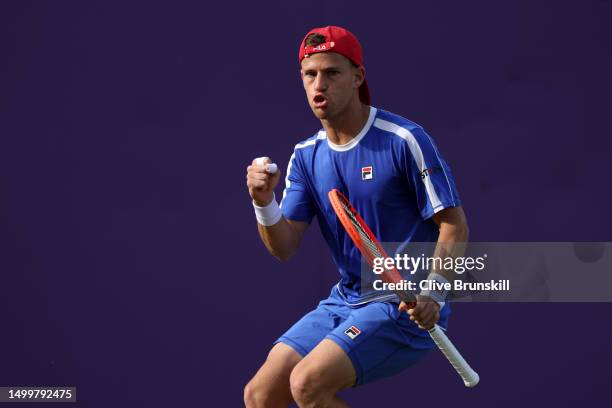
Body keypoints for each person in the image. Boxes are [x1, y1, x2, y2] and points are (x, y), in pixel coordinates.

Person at [244, 26, 469, 408]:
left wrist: (433, 291)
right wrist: (262, 202)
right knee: (261, 395)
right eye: (310, 74)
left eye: (332, 73)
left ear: (358, 77)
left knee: (308, 384)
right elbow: (284, 247)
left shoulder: (404, 139)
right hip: (346, 301)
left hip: (405, 305)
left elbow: (454, 225)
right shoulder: (306, 156)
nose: (320, 84)